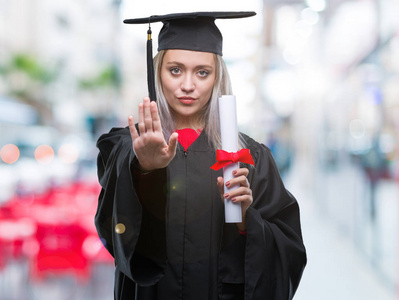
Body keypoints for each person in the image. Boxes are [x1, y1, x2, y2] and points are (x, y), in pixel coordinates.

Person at [95, 11, 306, 300]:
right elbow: (113, 228)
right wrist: (143, 169)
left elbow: (289, 251)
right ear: (158, 73)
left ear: (217, 77)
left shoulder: (250, 157)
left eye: (202, 72)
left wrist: (247, 221)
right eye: (175, 70)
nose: (188, 85)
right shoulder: (127, 148)